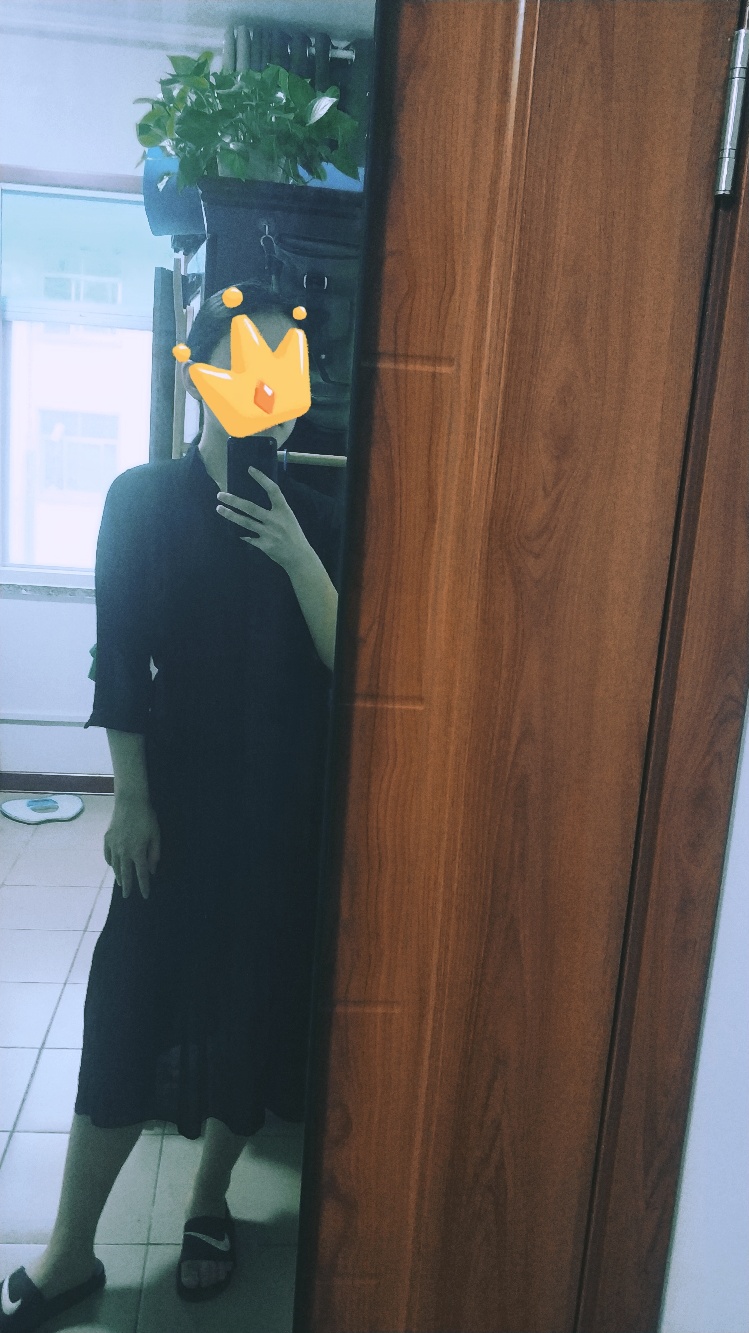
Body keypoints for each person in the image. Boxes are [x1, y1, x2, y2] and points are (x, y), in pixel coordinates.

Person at [0, 283, 343, 1331]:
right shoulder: (140, 501)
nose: (268, 387)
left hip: (284, 819)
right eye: (247, 361)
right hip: (175, 807)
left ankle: (207, 1205)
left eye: (286, 367)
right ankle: (70, 1250)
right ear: (199, 375)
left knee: (250, 1009)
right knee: (125, 1011)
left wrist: (297, 553)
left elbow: (354, 666)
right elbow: (121, 666)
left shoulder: (324, 511)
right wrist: (131, 800)